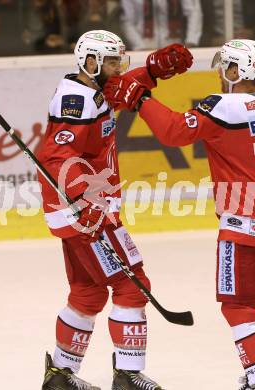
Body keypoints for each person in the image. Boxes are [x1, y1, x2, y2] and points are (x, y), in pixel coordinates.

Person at [103, 39, 255, 389]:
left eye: (222, 66)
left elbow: (173, 132)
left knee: (238, 305)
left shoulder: (223, 108)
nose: (218, 72)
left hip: (244, 228)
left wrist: (140, 98)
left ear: (234, 71)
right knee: (254, 301)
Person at [36, 29, 192, 390]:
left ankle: (60, 375)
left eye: (119, 60)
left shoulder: (91, 89)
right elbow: (56, 156)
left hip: (76, 210)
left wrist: (151, 70)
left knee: (88, 292)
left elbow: (116, 91)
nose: (117, 67)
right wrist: (82, 201)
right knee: (131, 284)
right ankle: (128, 374)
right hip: (86, 211)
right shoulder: (77, 100)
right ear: (89, 62)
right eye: (111, 61)